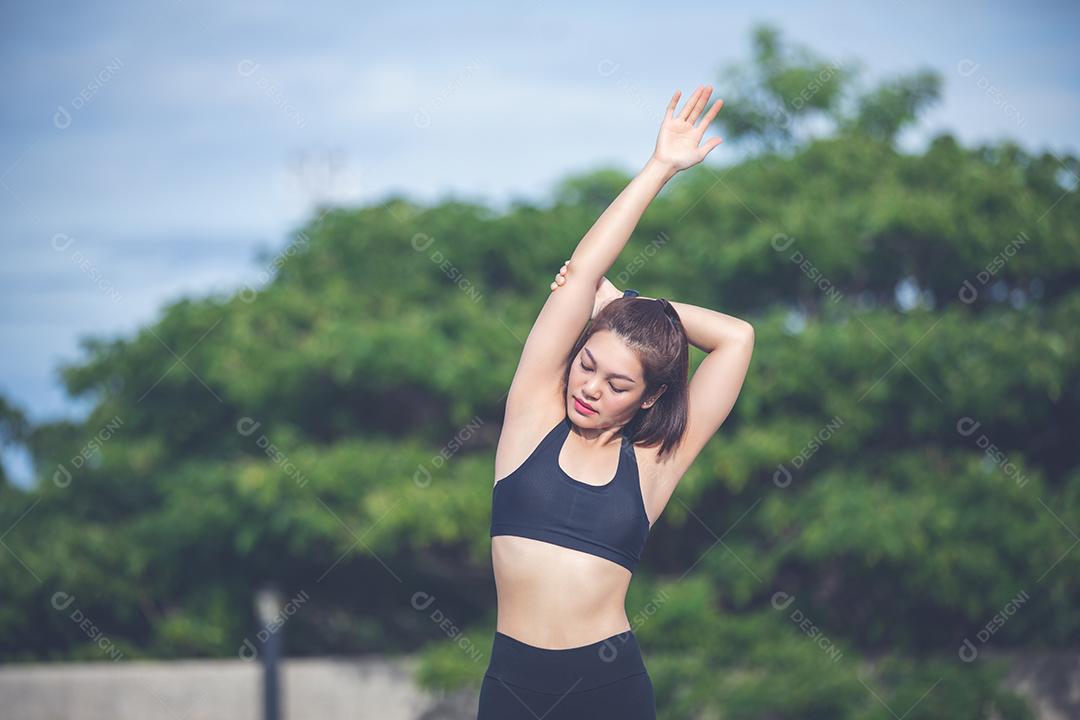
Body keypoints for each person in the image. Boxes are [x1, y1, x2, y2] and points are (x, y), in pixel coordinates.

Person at [479, 85, 756, 719]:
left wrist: (622, 307)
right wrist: (659, 167)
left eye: (618, 384)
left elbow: (736, 338)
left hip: (609, 690)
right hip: (513, 688)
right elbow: (579, 273)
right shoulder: (532, 417)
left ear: (651, 396)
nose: (590, 387)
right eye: (587, 364)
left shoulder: (654, 462)